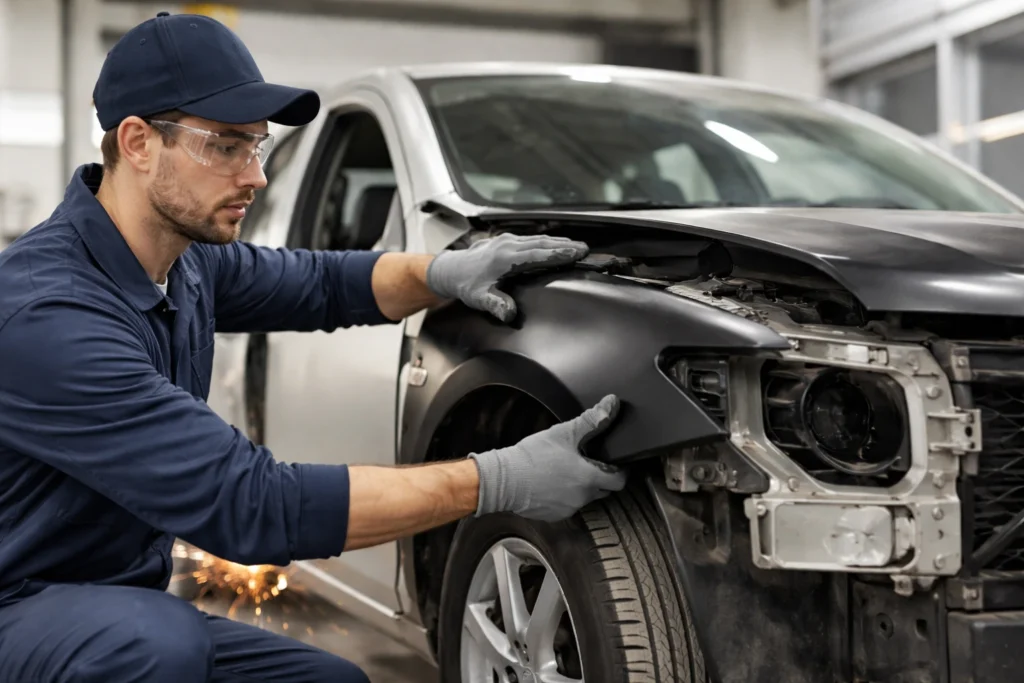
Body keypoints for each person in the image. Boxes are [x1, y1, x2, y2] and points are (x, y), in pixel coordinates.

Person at [0, 11, 628, 683]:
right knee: (160, 645)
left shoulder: (183, 259)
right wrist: (498, 478)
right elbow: (253, 506)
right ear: (138, 142)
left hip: (109, 598)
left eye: (258, 147)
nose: (256, 177)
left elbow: (321, 283)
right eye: (226, 146)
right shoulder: (48, 314)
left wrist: (442, 271)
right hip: (21, 603)